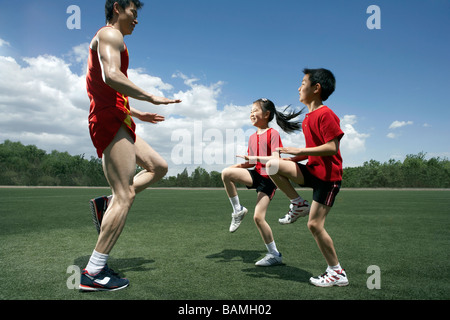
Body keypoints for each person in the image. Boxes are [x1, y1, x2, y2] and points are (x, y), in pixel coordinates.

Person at [80, 0, 181, 291]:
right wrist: (151, 97)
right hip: (109, 119)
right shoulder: (111, 35)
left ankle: (108, 205)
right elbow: (112, 76)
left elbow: (110, 88)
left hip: (120, 115)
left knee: (158, 167)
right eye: (134, 13)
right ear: (117, 8)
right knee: (125, 195)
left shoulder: (115, 39)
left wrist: (138, 113)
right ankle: (93, 273)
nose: (137, 20)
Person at [266, 68, 349, 287]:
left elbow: (332, 147)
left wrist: (297, 151)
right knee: (272, 165)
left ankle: (337, 272)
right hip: (312, 171)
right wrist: (293, 159)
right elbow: (313, 151)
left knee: (314, 226)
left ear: (316, 88)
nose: (299, 87)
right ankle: (298, 203)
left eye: (303, 83)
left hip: (328, 178)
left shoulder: (325, 114)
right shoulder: (308, 118)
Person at [221, 98, 303, 266]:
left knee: (258, 218)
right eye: (250, 111)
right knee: (226, 173)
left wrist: (253, 159)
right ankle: (238, 210)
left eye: (254, 110)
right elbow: (251, 163)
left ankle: (274, 255)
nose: (251, 113)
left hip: (269, 179)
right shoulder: (251, 137)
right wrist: (236, 166)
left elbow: (274, 159)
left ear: (266, 114)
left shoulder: (273, 134)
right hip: (256, 174)